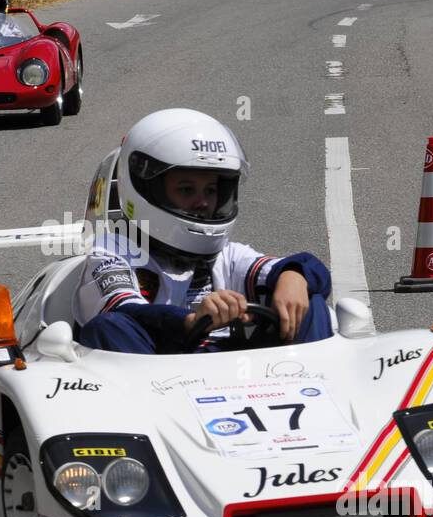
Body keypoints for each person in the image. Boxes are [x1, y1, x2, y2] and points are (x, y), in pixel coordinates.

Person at [75, 110, 333, 355]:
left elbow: (307, 268)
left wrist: (294, 276)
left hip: (241, 377)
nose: (203, 203)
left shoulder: (227, 256)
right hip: (158, 379)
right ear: (146, 187)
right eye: (187, 190)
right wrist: (189, 321)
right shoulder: (114, 250)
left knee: (309, 302)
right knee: (108, 326)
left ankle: (322, 388)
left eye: (210, 191)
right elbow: (123, 309)